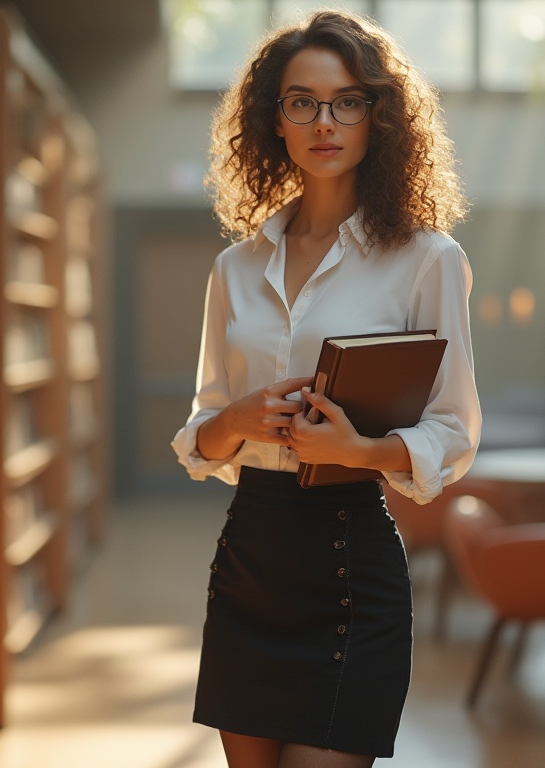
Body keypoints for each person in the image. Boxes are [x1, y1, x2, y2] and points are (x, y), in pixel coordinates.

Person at [170, 10, 480, 768]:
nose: (325, 121)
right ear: (273, 120)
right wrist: (237, 418)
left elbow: (455, 431)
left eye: (348, 101)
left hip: (351, 566)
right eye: (301, 101)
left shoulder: (426, 260)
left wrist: (364, 449)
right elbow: (201, 438)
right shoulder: (234, 268)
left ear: (379, 116)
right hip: (250, 560)